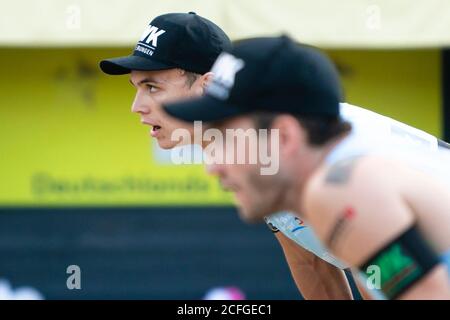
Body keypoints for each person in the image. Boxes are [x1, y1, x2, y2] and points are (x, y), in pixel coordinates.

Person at [163, 35, 450, 299]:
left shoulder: (345, 187)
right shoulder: (341, 174)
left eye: (225, 139)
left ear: (285, 136)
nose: (212, 166)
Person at [99, 12, 359, 300]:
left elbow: (373, 263)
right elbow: (310, 260)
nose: (136, 106)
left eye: (152, 87)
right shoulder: (249, 149)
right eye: (136, 89)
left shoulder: (289, 138)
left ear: (208, 86)